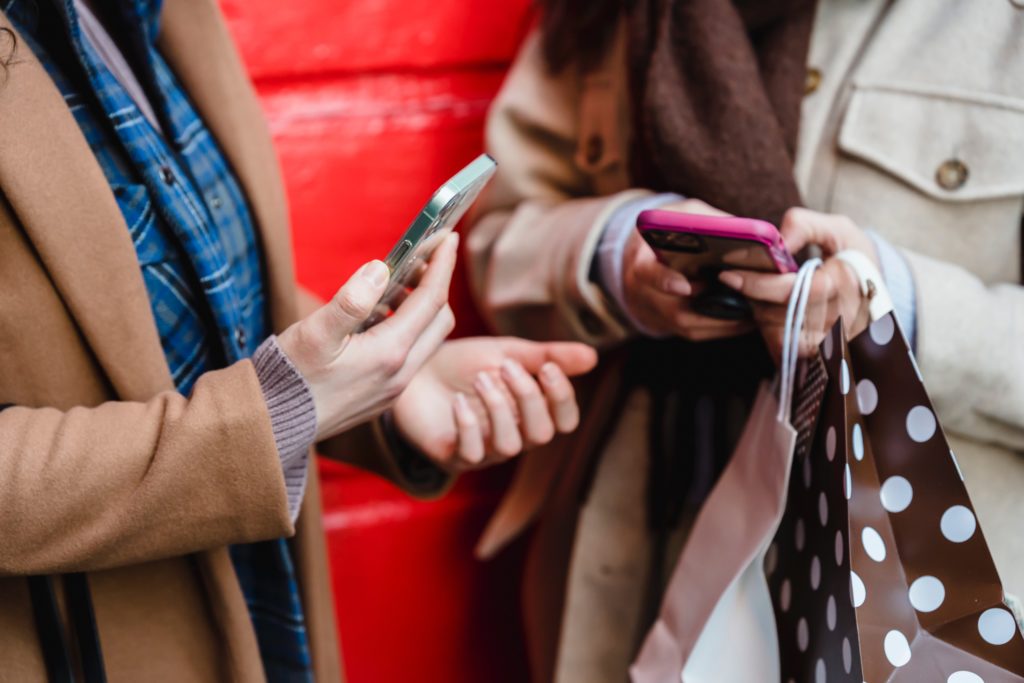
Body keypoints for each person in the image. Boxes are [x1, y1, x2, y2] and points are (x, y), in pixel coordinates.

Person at [0, 1, 597, 680]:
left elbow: (184, 304)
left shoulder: (157, 13)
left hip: (256, 606)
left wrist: (392, 390)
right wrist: (273, 416)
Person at [467, 1, 1024, 681]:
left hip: (902, 584)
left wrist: (892, 307)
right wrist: (618, 254)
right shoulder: (611, 12)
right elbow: (500, 234)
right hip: (629, 558)